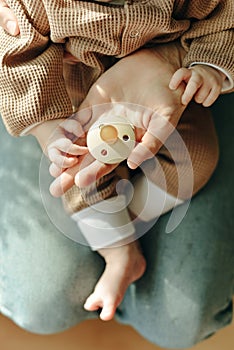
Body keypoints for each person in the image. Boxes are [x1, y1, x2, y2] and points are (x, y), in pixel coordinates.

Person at [0, 0, 233, 323]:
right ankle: (120, 253)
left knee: (198, 158)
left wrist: (208, 66)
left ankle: (124, 218)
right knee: (78, 177)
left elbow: (222, 17)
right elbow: (20, 56)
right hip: (77, 104)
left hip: (168, 90)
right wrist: (47, 127)